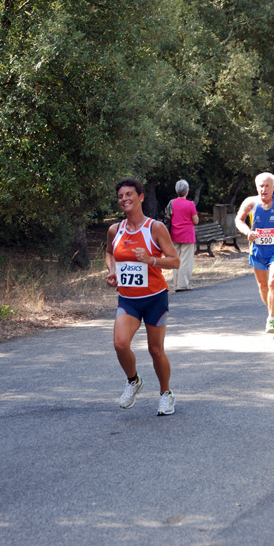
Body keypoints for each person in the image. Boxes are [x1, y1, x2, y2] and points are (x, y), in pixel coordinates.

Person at [105, 178, 180, 416]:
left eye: (129, 194)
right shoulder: (115, 230)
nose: (124, 199)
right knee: (119, 344)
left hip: (154, 298)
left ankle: (166, 394)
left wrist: (151, 260)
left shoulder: (155, 228)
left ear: (141, 197)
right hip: (128, 299)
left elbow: (175, 261)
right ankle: (133, 380)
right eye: (120, 196)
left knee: (155, 350)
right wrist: (112, 271)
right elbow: (109, 253)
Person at [235, 172, 274, 333]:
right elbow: (239, 220)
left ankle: (270, 318)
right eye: (261, 186)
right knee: (263, 285)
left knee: (272, 282)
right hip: (257, 250)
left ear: (273, 187)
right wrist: (248, 232)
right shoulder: (250, 202)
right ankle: (273, 311)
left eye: (267, 186)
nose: (263, 189)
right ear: (257, 188)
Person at [167, 179, 199, 292]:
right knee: (186, 260)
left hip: (174, 234)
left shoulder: (172, 203)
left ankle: (176, 284)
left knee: (176, 259)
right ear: (187, 191)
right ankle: (183, 285)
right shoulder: (190, 204)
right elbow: (196, 221)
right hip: (187, 235)